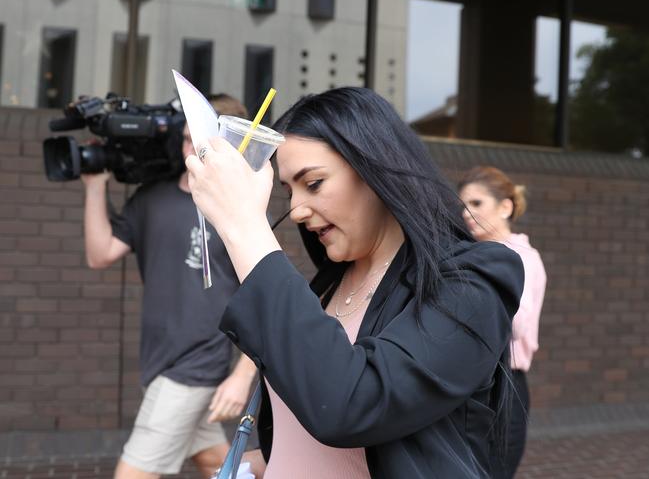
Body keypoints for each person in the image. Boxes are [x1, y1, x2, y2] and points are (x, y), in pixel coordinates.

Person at [185, 87, 524, 478]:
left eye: (313, 183)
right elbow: (304, 442)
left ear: (375, 168)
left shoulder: (471, 280)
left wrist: (245, 227)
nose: (295, 210)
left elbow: (349, 406)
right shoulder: (326, 286)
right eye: (288, 190)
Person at [81, 95, 256, 479]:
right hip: (159, 362)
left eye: (204, 138)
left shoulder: (236, 210)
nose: (193, 148)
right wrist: (95, 186)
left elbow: (264, 298)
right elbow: (100, 254)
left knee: (131, 474)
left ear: (228, 143)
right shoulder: (153, 197)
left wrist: (242, 375)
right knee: (219, 465)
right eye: (187, 138)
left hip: (194, 367)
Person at [458, 166, 547, 479]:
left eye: (477, 203)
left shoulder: (522, 257)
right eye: (464, 205)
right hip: (471, 381)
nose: (467, 213)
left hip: (504, 385)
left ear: (505, 207)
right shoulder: (473, 254)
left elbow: (518, 325)